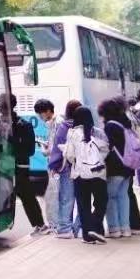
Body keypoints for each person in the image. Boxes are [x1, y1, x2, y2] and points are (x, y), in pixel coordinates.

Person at [63, 105, 110, 244]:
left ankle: (88, 235)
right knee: (101, 201)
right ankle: (97, 228)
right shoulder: (98, 132)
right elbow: (106, 150)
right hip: (98, 172)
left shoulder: (72, 133)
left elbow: (70, 155)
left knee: (83, 205)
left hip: (80, 174)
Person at [100, 98, 139, 237]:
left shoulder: (110, 126)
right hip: (128, 165)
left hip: (115, 167)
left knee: (110, 197)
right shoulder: (125, 123)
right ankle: (125, 228)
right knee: (123, 196)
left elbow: (107, 147)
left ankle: (114, 228)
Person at [10, 107, 50, 234]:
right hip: (9, 165)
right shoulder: (3, 123)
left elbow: (30, 149)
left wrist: (14, 144)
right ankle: (38, 225)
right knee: (24, 195)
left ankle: (40, 224)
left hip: (21, 166)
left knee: (26, 195)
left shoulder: (23, 125)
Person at [48, 99, 83, 239]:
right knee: (83, 198)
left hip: (67, 166)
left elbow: (58, 149)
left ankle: (64, 229)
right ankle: (78, 227)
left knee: (66, 198)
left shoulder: (64, 127)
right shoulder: (85, 126)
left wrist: (53, 166)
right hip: (83, 167)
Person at [34, 99, 60, 232]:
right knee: (52, 196)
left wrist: (46, 151)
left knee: (52, 196)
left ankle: (56, 225)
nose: (40, 117)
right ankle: (56, 224)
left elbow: (56, 146)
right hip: (54, 165)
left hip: (56, 166)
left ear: (48, 111)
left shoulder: (57, 123)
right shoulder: (52, 123)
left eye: (41, 113)